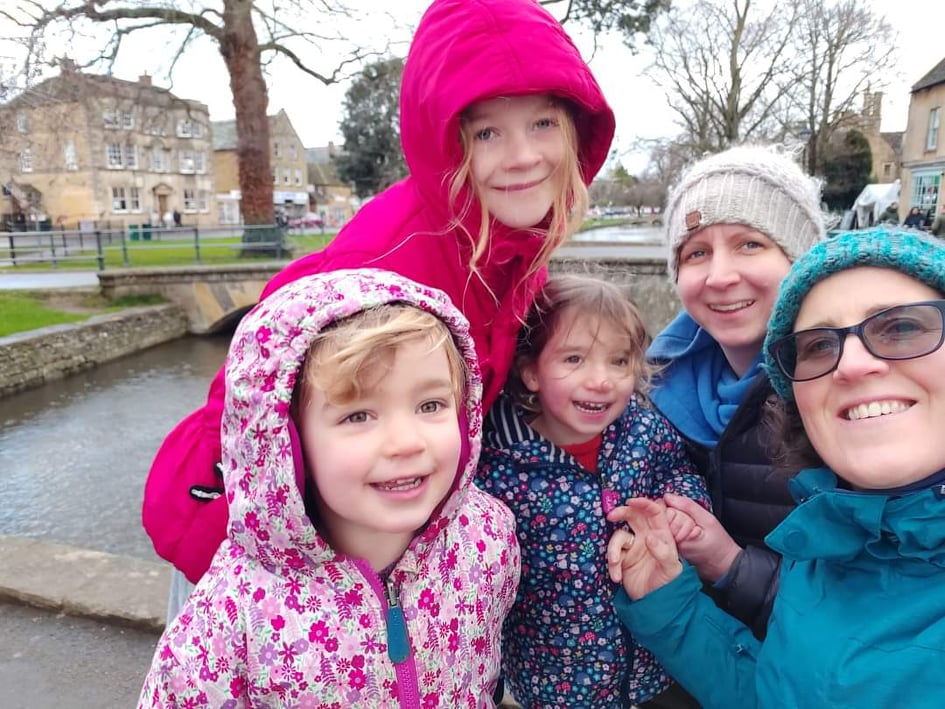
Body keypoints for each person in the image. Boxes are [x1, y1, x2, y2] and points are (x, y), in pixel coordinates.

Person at [143, 0, 615, 619]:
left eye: (544, 123)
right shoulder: (395, 258)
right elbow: (263, 399)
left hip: (363, 549)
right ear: (447, 143)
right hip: (257, 564)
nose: (524, 155)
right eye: (488, 132)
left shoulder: (512, 248)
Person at [139, 269, 520, 705]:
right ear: (287, 444)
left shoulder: (487, 538)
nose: (407, 442)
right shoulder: (230, 618)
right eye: (358, 416)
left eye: (430, 405)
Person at [607, 228, 945, 708]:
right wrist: (666, 598)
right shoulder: (827, 541)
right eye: (819, 346)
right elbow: (775, 693)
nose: (851, 364)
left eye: (902, 328)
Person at [477, 274, 710, 708]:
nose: (601, 381)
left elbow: (679, 473)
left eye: (619, 362)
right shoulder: (498, 466)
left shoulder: (641, 430)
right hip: (555, 686)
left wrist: (675, 512)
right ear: (530, 372)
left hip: (654, 668)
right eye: (574, 360)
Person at [643, 144, 825, 648]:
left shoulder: (841, 393)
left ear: (800, 260)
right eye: (696, 252)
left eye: (749, 244)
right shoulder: (647, 387)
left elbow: (878, 600)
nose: (720, 276)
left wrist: (731, 565)